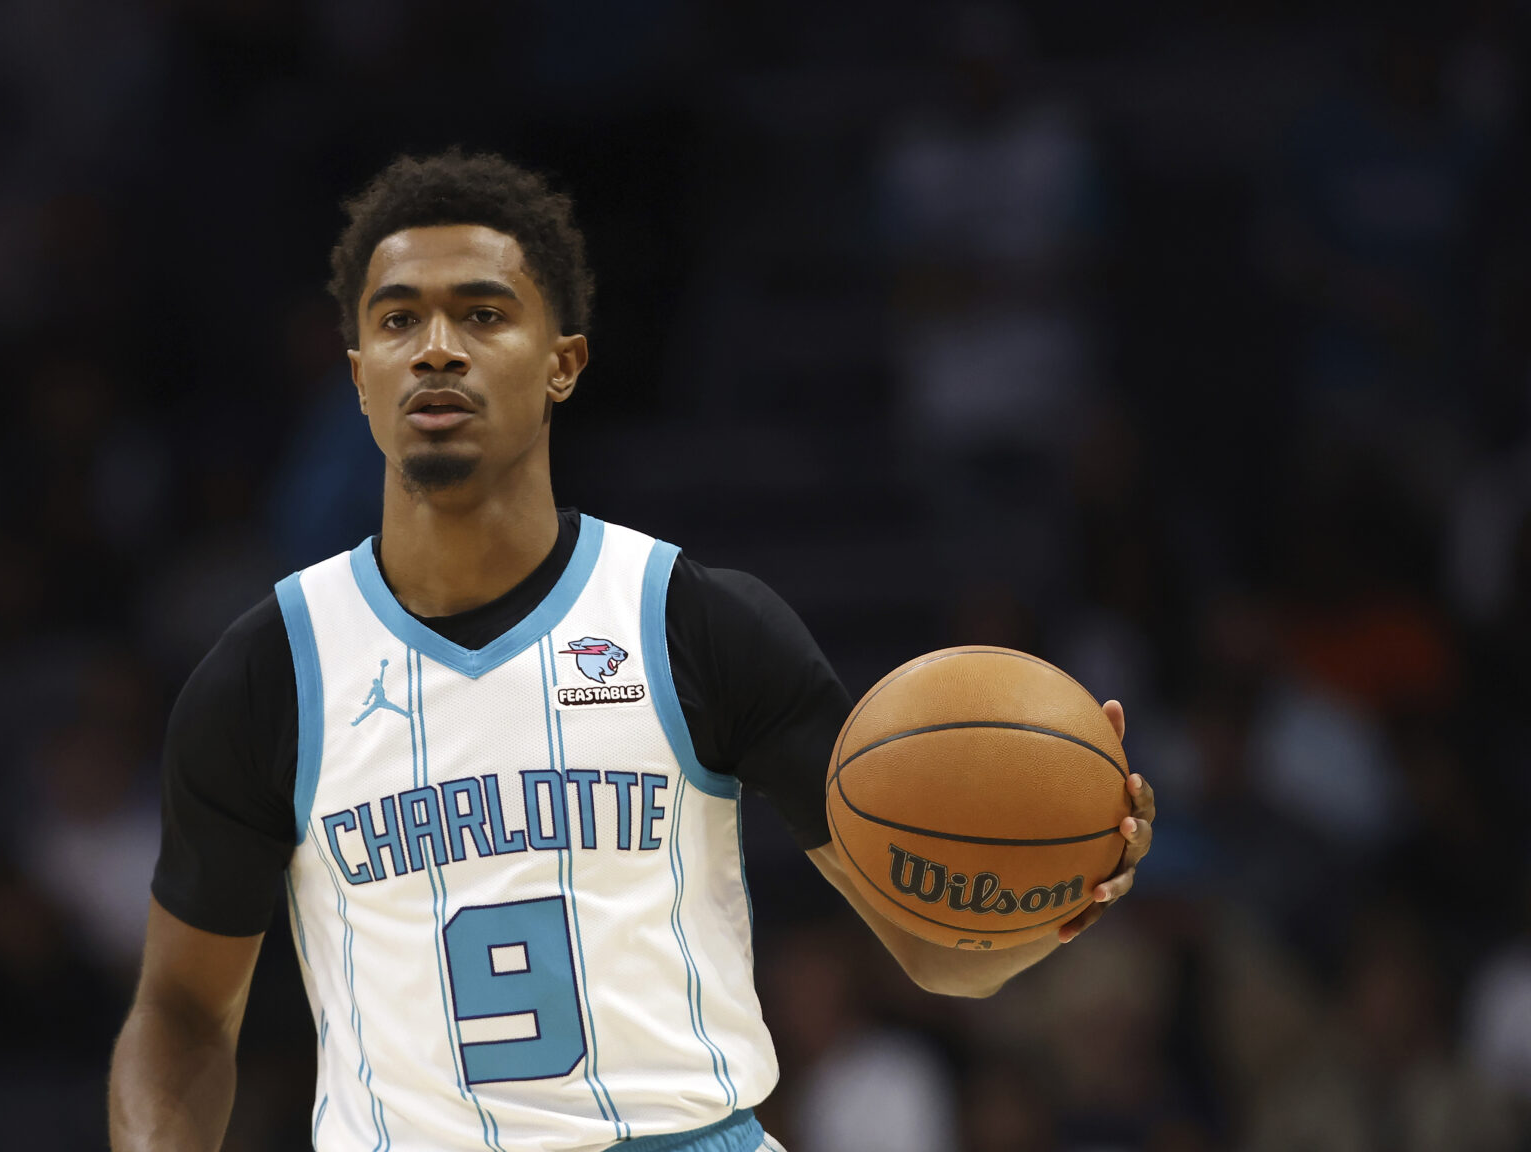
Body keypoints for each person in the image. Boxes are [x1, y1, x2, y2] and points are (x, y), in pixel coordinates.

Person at [108, 150, 1158, 1152]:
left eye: (482, 314)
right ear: (359, 374)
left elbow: (935, 955)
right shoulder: (267, 677)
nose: (436, 348)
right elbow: (182, 1013)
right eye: (397, 320)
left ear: (562, 363)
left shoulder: (694, 625)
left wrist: (1059, 887)